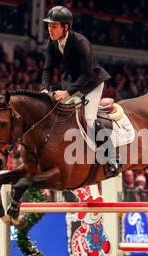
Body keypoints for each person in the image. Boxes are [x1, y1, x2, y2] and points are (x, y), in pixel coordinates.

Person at [41, 5, 120, 177]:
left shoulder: (81, 43)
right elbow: (48, 69)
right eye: (49, 25)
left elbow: (87, 74)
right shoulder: (52, 42)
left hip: (91, 83)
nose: (50, 29)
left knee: (89, 119)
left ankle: (112, 158)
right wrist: (45, 89)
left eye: (54, 26)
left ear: (65, 27)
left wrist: (68, 93)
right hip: (72, 82)